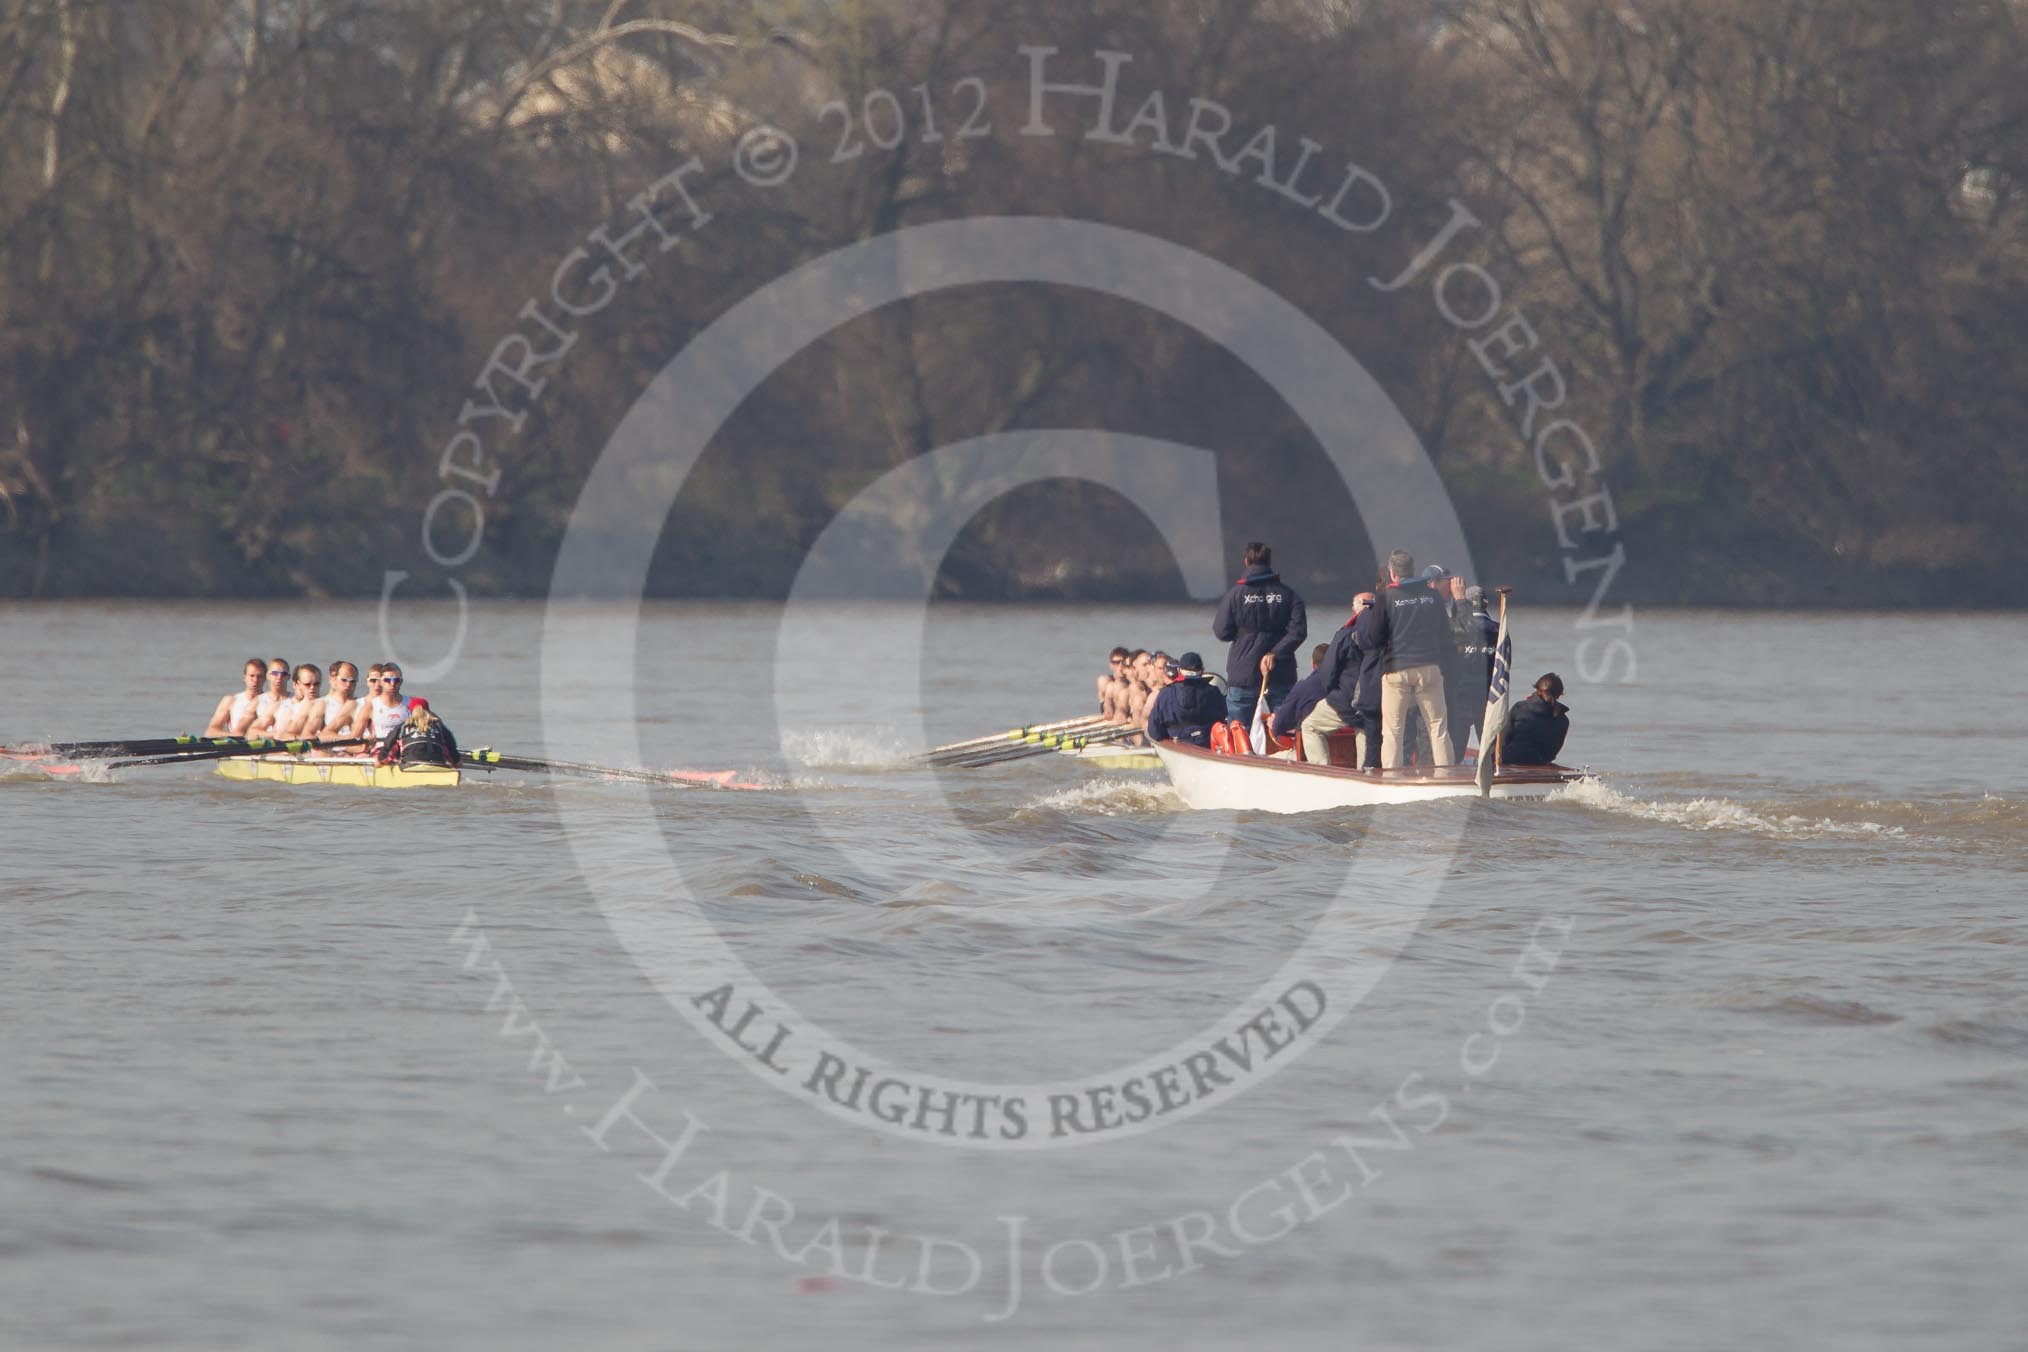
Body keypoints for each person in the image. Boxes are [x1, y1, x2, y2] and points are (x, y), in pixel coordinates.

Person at [1366, 549, 1454, 769]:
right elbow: (1445, 634)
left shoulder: (1385, 598)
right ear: (1413, 571)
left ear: (1392, 573)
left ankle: (1392, 778)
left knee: (1394, 730)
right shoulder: (1432, 596)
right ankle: (1446, 776)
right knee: (1438, 726)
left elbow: (1375, 639)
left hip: (1397, 670)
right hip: (1430, 668)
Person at [1211, 541, 1308, 728]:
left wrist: (1243, 637)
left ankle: (1240, 757)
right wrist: (1276, 652)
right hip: (1281, 670)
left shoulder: (1235, 595)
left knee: (1239, 731)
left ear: (1246, 561)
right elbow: (1298, 632)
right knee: (1285, 727)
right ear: (1270, 561)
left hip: (1243, 670)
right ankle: (1288, 755)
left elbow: (1221, 631)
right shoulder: (1289, 595)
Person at [1300, 593, 1384, 768]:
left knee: (1309, 726)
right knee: (1366, 732)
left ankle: (1323, 771)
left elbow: (1328, 671)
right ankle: (1366, 776)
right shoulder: (1388, 634)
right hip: (1379, 702)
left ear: (1354, 610)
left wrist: (1332, 692)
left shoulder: (1346, 634)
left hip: (1347, 700)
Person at [1448, 586, 1501, 760]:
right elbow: (1503, 665)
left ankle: (1451, 778)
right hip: (1488, 695)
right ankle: (1494, 775)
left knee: (1456, 746)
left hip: (1461, 693)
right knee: (1489, 746)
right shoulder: (1499, 630)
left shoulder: (1457, 629)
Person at [1144, 653, 1228, 747]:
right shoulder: (1214, 692)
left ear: (1179, 671)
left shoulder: (1165, 693)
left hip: (1177, 744)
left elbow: (1154, 731)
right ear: (1202, 671)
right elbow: (1223, 717)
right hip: (1207, 745)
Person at [1269, 642, 1334, 755]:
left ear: (1313, 665)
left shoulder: (1303, 687)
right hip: (1346, 755)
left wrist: (1273, 723)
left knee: (1268, 760)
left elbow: (1280, 725)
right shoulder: (1347, 686)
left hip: (1308, 754)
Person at [1500, 674, 1570, 765]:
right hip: (1538, 762)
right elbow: (1551, 753)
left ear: (1538, 690)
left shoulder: (1519, 707)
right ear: (1560, 694)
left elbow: (1503, 739)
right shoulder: (1563, 720)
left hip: (1509, 759)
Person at [375, 697, 460, 766]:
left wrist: (381, 759)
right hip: (437, 763)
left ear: (411, 710)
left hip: (410, 764)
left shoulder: (403, 726)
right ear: (428, 710)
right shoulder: (438, 725)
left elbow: (389, 744)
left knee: (398, 745)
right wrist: (457, 761)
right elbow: (451, 745)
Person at [252, 664, 321, 739]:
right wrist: (275, 735)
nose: (312, 688)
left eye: (316, 684)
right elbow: (252, 732)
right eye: (307, 684)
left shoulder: (327, 706)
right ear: (297, 684)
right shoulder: (282, 708)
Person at [205, 658, 269, 737]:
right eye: (252, 676)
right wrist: (235, 736)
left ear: (265, 678)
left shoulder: (271, 703)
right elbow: (211, 732)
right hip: (238, 743)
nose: (255, 680)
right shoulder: (231, 700)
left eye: (259, 676)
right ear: (244, 677)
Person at [303, 661, 363, 743]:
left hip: (359, 752)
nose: (348, 684)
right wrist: (346, 738)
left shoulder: (362, 704)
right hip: (332, 752)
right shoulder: (323, 704)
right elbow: (307, 735)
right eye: (344, 680)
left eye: (353, 681)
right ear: (333, 679)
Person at [351, 661, 411, 744]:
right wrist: (365, 746)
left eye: (397, 680)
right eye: (387, 680)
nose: (392, 684)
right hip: (381, 751)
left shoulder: (412, 703)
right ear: (381, 682)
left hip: (406, 751)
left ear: (401, 682)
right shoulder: (370, 706)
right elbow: (353, 741)